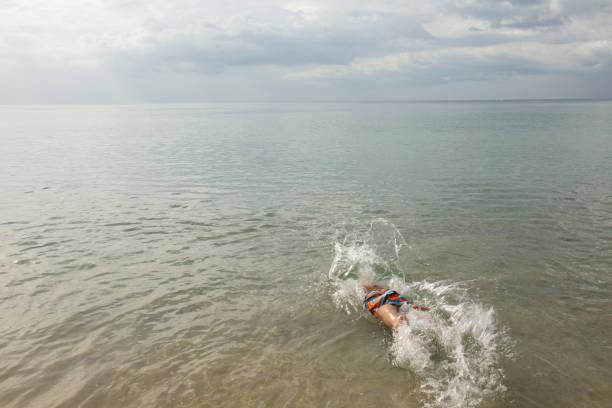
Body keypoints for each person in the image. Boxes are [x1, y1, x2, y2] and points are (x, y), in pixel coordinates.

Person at [362, 284, 429, 330]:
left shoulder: (370, 293)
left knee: (383, 306)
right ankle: (428, 319)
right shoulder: (384, 289)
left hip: (375, 294)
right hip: (395, 296)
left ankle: (395, 320)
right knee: (407, 307)